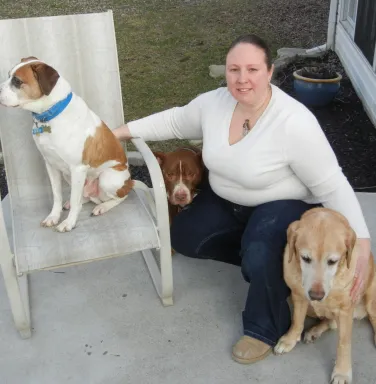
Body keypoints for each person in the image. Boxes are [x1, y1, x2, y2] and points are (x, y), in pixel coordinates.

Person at [112, 34, 371, 364]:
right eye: (234, 69)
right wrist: (117, 133)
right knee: (186, 236)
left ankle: (263, 327)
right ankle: (275, 267)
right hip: (225, 198)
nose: (242, 78)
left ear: (269, 71)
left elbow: (333, 185)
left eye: (252, 69)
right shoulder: (214, 103)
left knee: (261, 251)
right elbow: (174, 119)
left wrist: (361, 242)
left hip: (281, 204)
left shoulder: (294, 122)